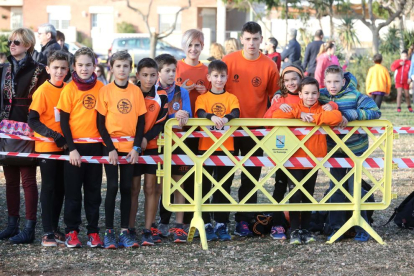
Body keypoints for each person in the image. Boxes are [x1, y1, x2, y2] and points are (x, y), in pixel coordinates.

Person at [222, 21, 279, 237]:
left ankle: (244, 220)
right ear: (241, 39)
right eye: (247, 39)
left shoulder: (269, 65)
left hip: (255, 130)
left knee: (251, 177)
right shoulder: (228, 61)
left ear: (261, 39)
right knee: (223, 175)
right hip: (228, 129)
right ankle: (219, 220)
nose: (252, 43)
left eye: (256, 39)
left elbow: (275, 98)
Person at [272, 77, 342, 244]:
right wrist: (299, 114)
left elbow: (337, 117)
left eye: (314, 93)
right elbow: (277, 114)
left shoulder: (322, 109)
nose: (310, 96)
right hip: (294, 158)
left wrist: (315, 117)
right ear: (300, 94)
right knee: (295, 194)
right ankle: (295, 229)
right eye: (307, 93)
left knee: (308, 194)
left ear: (319, 93)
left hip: (314, 159)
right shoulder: (295, 107)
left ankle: (307, 229)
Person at [319, 65, 381, 243]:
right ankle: (336, 227)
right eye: (329, 82)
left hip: (355, 151)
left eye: (337, 81)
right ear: (324, 82)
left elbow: (375, 111)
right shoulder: (321, 95)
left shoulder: (355, 95)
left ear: (343, 81)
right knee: (336, 188)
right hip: (334, 151)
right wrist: (279, 93)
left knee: (356, 189)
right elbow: (301, 94)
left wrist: (352, 114)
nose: (333, 85)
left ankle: (362, 227)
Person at [0, 28, 48, 244]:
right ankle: (12, 225)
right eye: (11, 41)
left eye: (17, 41)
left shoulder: (40, 71)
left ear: (28, 44)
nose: (12, 45)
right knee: (10, 179)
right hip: (5, 129)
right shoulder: (4, 69)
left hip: (28, 128)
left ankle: (29, 228)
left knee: (28, 180)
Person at [96, 51, 146, 249]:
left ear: (130, 68)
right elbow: (100, 124)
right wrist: (110, 148)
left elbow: (141, 122)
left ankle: (125, 231)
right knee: (112, 188)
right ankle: (109, 231)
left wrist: (135, 148)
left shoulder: (136, 92)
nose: (122, 70)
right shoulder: (105, 91)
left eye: (125, 66)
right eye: (118, 66)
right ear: (112, 68)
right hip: (111, 149)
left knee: (127, 189)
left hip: (130, 150)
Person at [56, 47, 105, 248]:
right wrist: (71, 148)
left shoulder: (101, 87)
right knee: (73, 193)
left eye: (88, 65)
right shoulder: (68, 89)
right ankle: (72, 231)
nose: (84, 69)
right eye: (80, 65)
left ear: (94, 66)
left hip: (95, 148)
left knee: (94, 192)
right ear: (74, 67)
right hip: (75, 149)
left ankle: (93, 232)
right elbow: (64, 123)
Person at [195, 60, 240, 242]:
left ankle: (221, 223)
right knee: (205, 186)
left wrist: (226, 118)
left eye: (222, 76)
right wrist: (211, 116)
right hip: (206, 148)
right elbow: (199, 112)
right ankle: (205, 223)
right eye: (215, 76)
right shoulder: (203, 98)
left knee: (224, 186)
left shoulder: (231, 98)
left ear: (227, 77)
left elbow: (236, 112)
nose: (219, 79)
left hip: (226, 148)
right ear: (209, 77)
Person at [27, 50, 69, 247]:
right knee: (49, 187)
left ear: (68, 70)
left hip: (65, 147)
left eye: (63, 68)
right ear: (48, 69)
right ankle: (46, 232)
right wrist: (54, 136)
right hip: (47, 147)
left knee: (61, 188)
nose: (59, 72)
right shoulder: (42, 91)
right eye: (55, 68)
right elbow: (33, 120)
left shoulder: (68, 89)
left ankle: (54, 227)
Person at [130, 58, 168, 246]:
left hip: (153, 147)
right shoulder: (131, 93)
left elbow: (161, 123)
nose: (149, 79)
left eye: (153, 75)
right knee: (133, 189)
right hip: (132, 148)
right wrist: (137, 141)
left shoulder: (161, 95)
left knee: (151, 189)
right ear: (137, 75)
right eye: (145, 75)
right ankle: (129, 229)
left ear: (157, 75)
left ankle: (147, 229)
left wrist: (146, 138)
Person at [174, 29, 209, 235]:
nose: (193, 49)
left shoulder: (206, 70)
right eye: (189, 45)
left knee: (196, 173)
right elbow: (168, 91)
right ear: (183, 46)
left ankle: (191, 216)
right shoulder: (177, 67)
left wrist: (206, 91)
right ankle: (168, 217)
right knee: (176, 173)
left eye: (197, 45)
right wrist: (182, 89)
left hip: (200, 128)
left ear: (202, 46)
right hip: (178, 129)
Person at [154, 54, 192, 240]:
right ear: (158, 72)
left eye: (173, 71)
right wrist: (171, 118)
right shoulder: (152, 90)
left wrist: (183, 116)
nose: (171, 74)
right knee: (160, 184)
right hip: (157, 144)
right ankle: (160, 222)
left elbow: (188, 116)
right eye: (167, 71)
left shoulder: (182, 92)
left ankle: (179, 224)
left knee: (179, 182)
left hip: (178, 143)